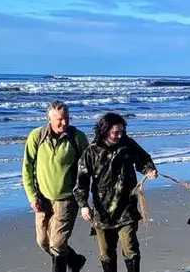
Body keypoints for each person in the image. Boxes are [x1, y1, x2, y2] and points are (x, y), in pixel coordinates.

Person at [74, 112, 158, 272]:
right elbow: (81, 180)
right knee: (106, 253)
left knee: (130, 248)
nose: (120, 135)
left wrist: (149, 170)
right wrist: (83, 205)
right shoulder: (92, 151)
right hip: (102, 211)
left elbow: (144, 159)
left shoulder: (128, 145)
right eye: (115, 132)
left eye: (122, 131)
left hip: (127, 208)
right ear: (105, 131)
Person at [21, 100, 89, 272]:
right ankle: (74, 260)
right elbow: (27, 168)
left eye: (67, 118)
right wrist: (32, 196)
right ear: (49, 119)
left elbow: (88, 168)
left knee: (57, 244)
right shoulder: (36, 136)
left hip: (67, 200)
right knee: (43, 242)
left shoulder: (77, 137)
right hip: (42, 199)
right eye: (60, 119)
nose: (64, 122)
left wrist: (85, 201)